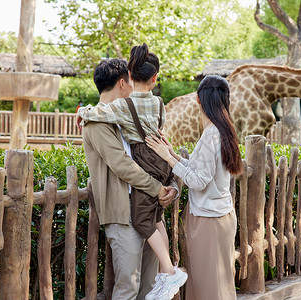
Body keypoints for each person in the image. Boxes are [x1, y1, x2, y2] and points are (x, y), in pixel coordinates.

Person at [78, 44, 187, 300]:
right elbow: (122, 165)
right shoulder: (95, 122)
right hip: (122, 214)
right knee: (128, 287)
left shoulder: (126, 115)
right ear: (122, 83)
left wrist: (165, 185)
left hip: (144, 206)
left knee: (149, 286)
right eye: (129, 78)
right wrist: (157, 189)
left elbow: (153, 151)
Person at [146, 75, 243, 300]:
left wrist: (168, 160)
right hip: (218, 216)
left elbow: (198, 181)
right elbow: (200, 170)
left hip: (209, 219)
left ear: (198, 100)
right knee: (217, 283)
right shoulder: (222, 130)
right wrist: (171, 152)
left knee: (209, 286)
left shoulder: (211, 135)